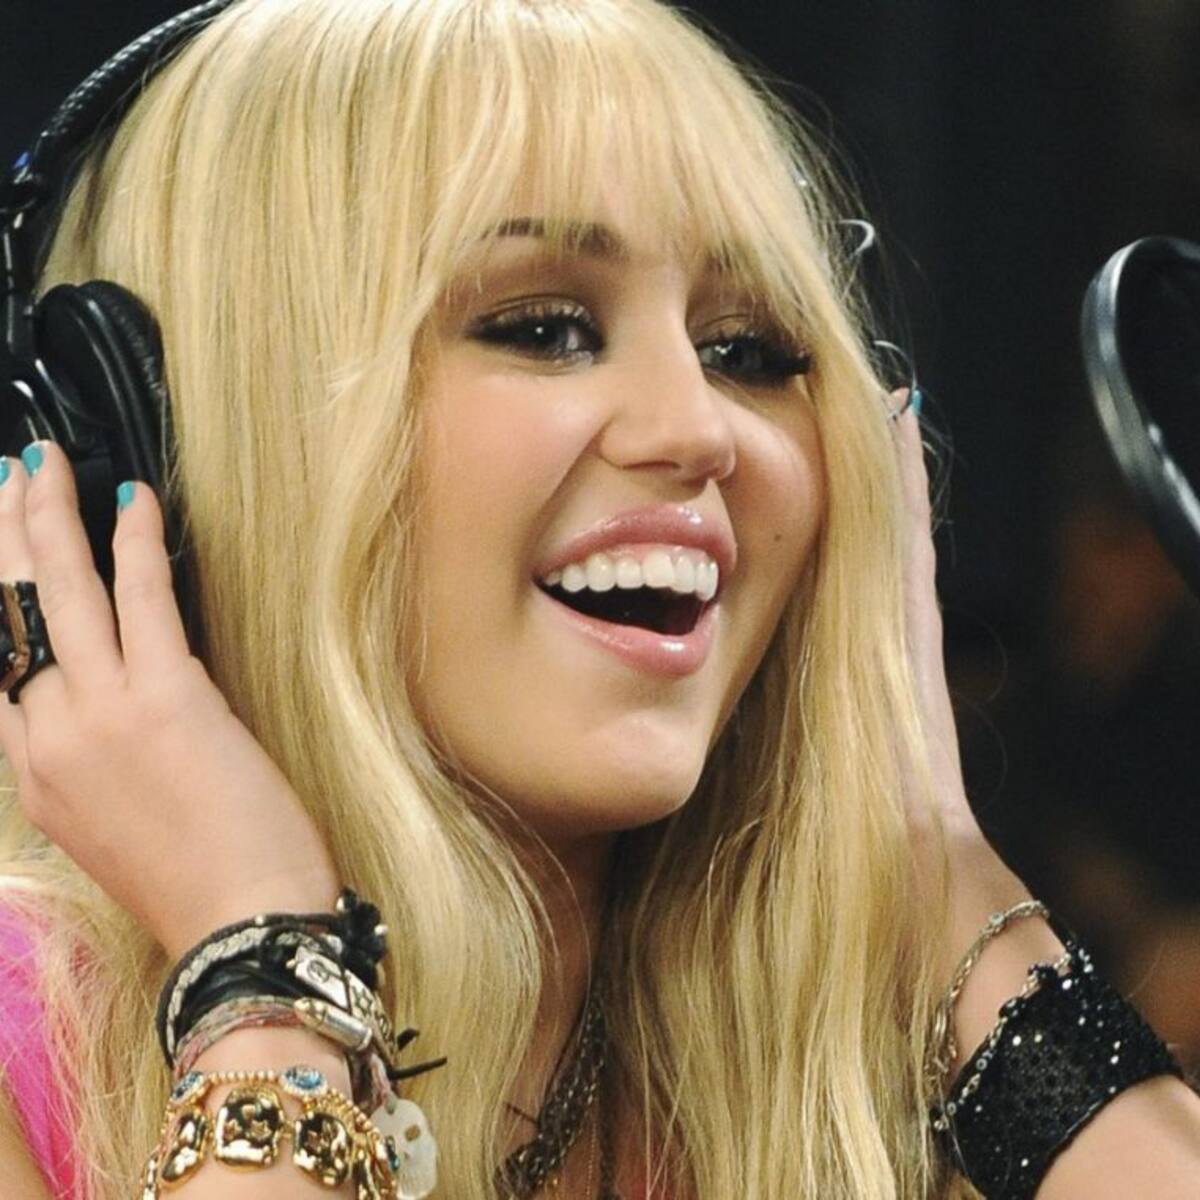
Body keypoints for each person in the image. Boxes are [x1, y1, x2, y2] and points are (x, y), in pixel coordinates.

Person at [0, 1, 1196, 1197]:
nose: (698, 429)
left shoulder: (853, 1070)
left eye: (750, 351)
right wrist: (260, 961)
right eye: (544, 328)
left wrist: (943, 877)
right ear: (175, 440)